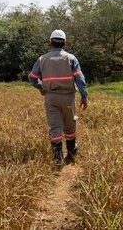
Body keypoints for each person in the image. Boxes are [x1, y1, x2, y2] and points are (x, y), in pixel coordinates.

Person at [28, 29, 88, 167]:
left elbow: (32, 77)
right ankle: (71, 154)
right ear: (64, 42)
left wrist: (41, 87)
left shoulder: (42, 59)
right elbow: (80, 79)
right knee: (70, 126)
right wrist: (84, 96)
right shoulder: (71, 58)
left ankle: (57, 159)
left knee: (55, 127)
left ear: (50, 42)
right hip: (68, 98)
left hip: (51, 98)